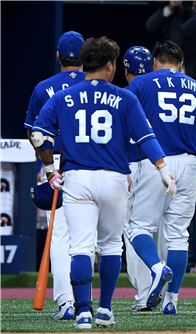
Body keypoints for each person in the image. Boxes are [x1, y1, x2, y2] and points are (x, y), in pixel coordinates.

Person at [30, 36, 176, 329]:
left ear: (85, 63)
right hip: (113, 178)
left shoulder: (63, 96)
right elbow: (146, 138)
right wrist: (162, 168)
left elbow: (38, 135)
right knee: (111, 246)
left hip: (77, 178)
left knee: (80, 247)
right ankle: (105, 309)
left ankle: (83, 310)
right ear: (110, 65)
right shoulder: (125, 97)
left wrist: (48, 168)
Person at [126, 40, 196, 315]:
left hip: (155, 162)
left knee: (138, 228)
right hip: (189, 164)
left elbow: (126, 125)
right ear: (180, 63)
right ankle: (171, 301)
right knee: (178, 236)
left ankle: (156, 269)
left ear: (155, 62)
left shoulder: (142, 84)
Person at [23, 30, 86, 321]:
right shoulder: (95, 84)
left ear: (58, 56)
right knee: (89, 238)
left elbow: (33, 133)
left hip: (56, 162)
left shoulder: (43, 87)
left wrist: (47, 166)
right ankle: (88, 301)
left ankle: (66, 301)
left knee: (59, 235)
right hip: (91, 162)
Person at [119, 45, 162, 312]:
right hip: (156, 162)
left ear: (125, 70)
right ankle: (163, 290)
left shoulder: (124, 94)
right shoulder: (160, 90)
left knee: (132, 229)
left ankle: (145, 292)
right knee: (155, 229)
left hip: (129, 164)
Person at [145, 1, 196, 80]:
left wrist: (192, 6)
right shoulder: (170, 11)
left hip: (192, 62)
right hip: (169, 60)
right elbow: (150, 26)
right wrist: (170, 7)